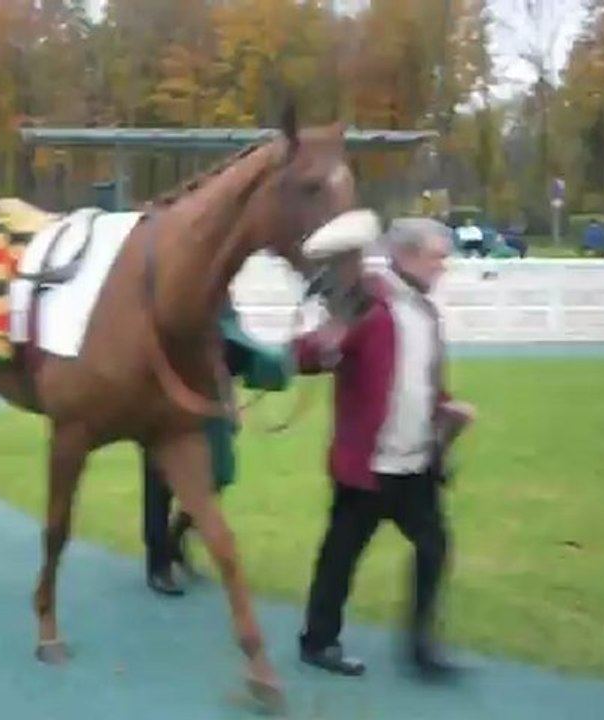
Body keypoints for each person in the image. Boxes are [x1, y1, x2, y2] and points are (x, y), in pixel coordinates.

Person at [292, 217, 476, 681]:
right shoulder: (367, 301)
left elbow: (419, 380)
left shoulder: (425, 312)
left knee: (434, 547)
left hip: (415, 464)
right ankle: (318, 642)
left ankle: (421, 649)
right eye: (438, 257)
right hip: (368, 465)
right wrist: (324, 341)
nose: (443, 267)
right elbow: (308, 355)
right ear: (408, 255)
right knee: (342, 553)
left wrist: (447, 408)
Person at [141, 299, 292, 596]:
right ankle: (158, 564)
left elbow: (233, 351)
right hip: (164, 411)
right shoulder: (167, 298)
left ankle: (174, 540)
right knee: (160, 484)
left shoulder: (219, 299)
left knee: (216, 479)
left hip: (208, 408)